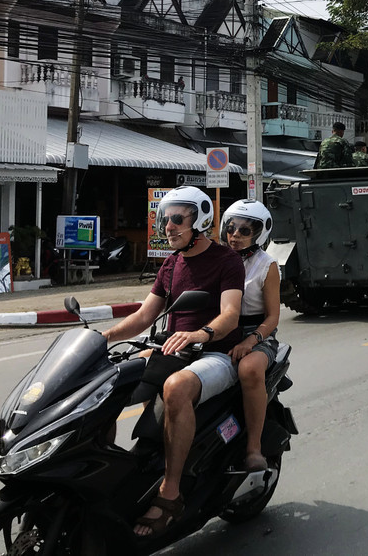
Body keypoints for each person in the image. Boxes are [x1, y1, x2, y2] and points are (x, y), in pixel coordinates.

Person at [101, 186, 245, 537]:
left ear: (202, 220)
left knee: (176, 388)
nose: (169, 226)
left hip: (214, 354)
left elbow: (230, 315)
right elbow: (143, 317)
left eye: (178, 219)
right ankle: (104, 472)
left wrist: (200, 334)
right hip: (171, 350)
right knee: (103, 385)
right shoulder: (171, 263)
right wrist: (102, 338)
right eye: (166, 219)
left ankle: (171, 492)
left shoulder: (226, 260)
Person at [221, 199, 281, 472]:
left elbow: (273, 317)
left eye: (245, 230)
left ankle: (253, 448)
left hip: (256, 333)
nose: (235, 235)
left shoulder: (267, 266)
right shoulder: (217, 258)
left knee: (250, 369)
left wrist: (250, 340)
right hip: (222, 330)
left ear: (260, 233)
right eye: (231, 228)